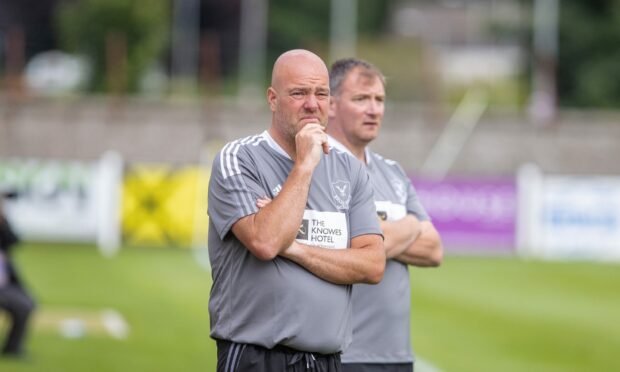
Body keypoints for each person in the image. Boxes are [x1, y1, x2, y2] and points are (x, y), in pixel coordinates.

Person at [207, 49, 385, 372]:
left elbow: (372, 264)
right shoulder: (238, 159)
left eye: (321, 93)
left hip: (327, 362)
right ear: (273, 99)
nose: (312, 104)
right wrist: (304, 165)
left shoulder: (350, 169)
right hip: (255, 357)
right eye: (299, 93)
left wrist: (296, 249)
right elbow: (265, 241)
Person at [326, 58, 443, 372]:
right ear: (331, 105)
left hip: (397, 357)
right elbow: (338, 246)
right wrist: (409, 225)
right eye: (361, 99)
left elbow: (434, 249)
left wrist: (376, 236)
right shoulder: (318, 169)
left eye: (379, 100)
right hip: (341, 356)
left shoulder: (392, 173)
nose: (374, 109)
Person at [0, 193, 36, 358]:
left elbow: (13, 240)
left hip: (4, 286)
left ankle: (13, 348)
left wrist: (2, 219)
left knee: (26, 303)